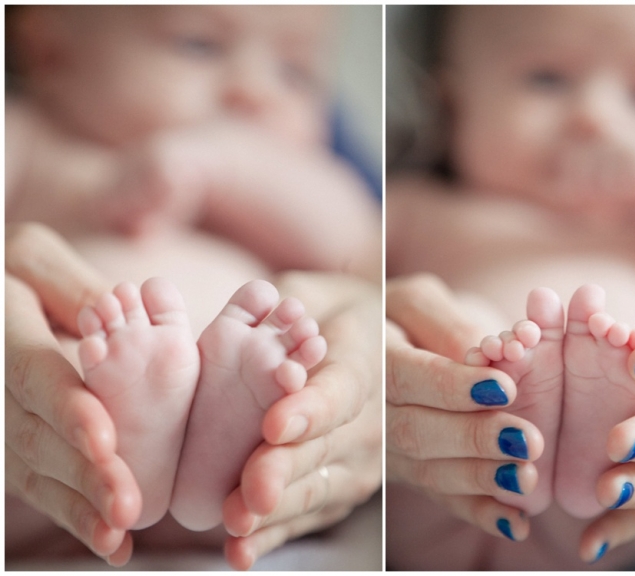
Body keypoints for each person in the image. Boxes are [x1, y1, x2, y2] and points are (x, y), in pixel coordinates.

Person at [6, 5, 381, 569]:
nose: (255, 90)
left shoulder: (291, 168)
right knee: (42, 405)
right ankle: (132, 430)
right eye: (200, 45)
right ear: (52, 51)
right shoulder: (28, 138)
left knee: (270, 362)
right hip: (49, 407)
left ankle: (218, 444)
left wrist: (224, 164)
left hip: (228, 405)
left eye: (295, 70)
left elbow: (354, 238)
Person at [385, 5, 635, 570]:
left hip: (610, 483)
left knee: (632, 417)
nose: (597, 118)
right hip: (441, 454)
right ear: (452, 102)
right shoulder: (423, 206)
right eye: (548, 78)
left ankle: (590, 432)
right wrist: (381, 329)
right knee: (456, 325)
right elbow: (342, 263)